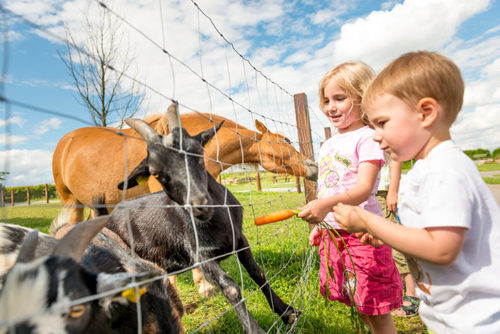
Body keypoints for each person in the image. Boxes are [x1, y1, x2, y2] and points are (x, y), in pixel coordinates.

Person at [334, 51, 500, 333]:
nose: (375, 135)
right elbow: (427, 236)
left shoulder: (445, 170)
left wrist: (369, 221)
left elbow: (442, 248)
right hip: (455, 316)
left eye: (382, 123)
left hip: (478, 319)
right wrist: (385, 235)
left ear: (426, 113)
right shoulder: (427, 170)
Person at [297, 62, 402, 334]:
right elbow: (327, 189)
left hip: (363, 234)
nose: (331, 106)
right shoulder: (329, 144)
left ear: (363, 97)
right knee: (355, 299)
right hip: (335, 235)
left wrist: (325, 206)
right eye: (326, 100)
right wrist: (322, 224)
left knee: (374, 306)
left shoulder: (367, 138)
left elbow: (363, 189)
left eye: (340, 98)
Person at [376, 157, 420, 317]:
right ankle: (389, 293)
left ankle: (412, 294)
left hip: (382, 190)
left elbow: (395, 155)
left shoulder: (377, 132)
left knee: (394, 243)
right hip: (366, 190)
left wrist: (392, 190)